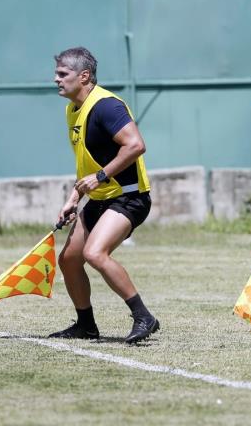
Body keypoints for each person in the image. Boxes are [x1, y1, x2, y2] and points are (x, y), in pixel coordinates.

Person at [50, 47, 159, 344]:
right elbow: (88, 162)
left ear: (84, 76)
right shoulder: (73, 109)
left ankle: (143, 316)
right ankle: (86, 326)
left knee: (94, 254)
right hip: (100, 198)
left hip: (129, 197)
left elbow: (136, 145)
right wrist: (73, 199)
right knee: (70, 260)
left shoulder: (106, 106)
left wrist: (100, 177)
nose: (55, 79)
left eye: (63, 74)